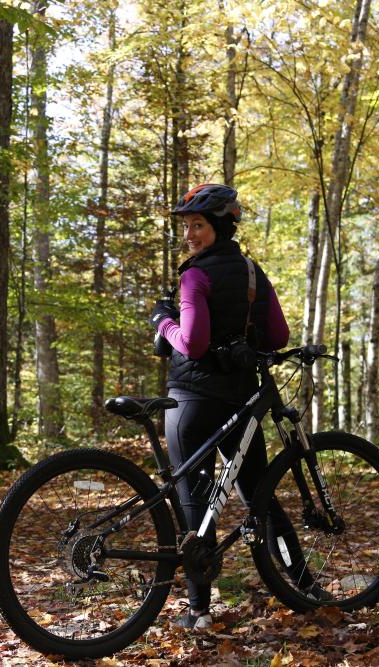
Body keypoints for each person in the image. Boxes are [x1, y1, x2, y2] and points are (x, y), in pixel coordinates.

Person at [148, 183, 290, 629]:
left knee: (193, 502)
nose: (190, 234)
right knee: (260, 495)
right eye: (187, 226)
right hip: (240, 401)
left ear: (221, 227)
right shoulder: (253, 272)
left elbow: (191, 343)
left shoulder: (194, 275)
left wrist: (163, 321)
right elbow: (278, 338)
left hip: (190, 402)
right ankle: (304, 584)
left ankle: (199, 612)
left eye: (199, 225)